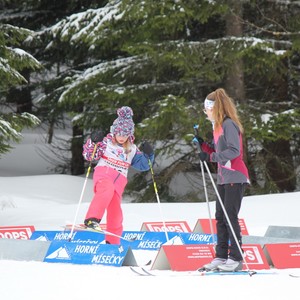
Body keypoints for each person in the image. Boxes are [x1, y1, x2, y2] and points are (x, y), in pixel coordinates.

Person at [195, 88, 250, 272]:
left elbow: (234, 151)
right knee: (220, 217)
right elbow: (218, 152)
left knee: (229, 216)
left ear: (215, 108)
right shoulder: (217, 127)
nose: (205, 113)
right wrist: (204, 146)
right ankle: (221, 256)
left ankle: (235, 257)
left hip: (235, 175)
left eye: (207, 109)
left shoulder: (229, 125)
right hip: (223, 177)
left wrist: (211, 158)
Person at [82, 106, 154, 244]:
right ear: (114, 131)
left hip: (120, 180)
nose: (121, 137)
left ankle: (113, 242)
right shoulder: (106, 143)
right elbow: (89, 155)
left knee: (116, 210)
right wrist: (93, 142)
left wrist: (149, 154)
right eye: (119, 134)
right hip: (105, 173)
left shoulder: (132, 149)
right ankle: (92, 218)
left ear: (129, 134)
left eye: (125, 134)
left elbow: (144, 165)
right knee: (106, 190)